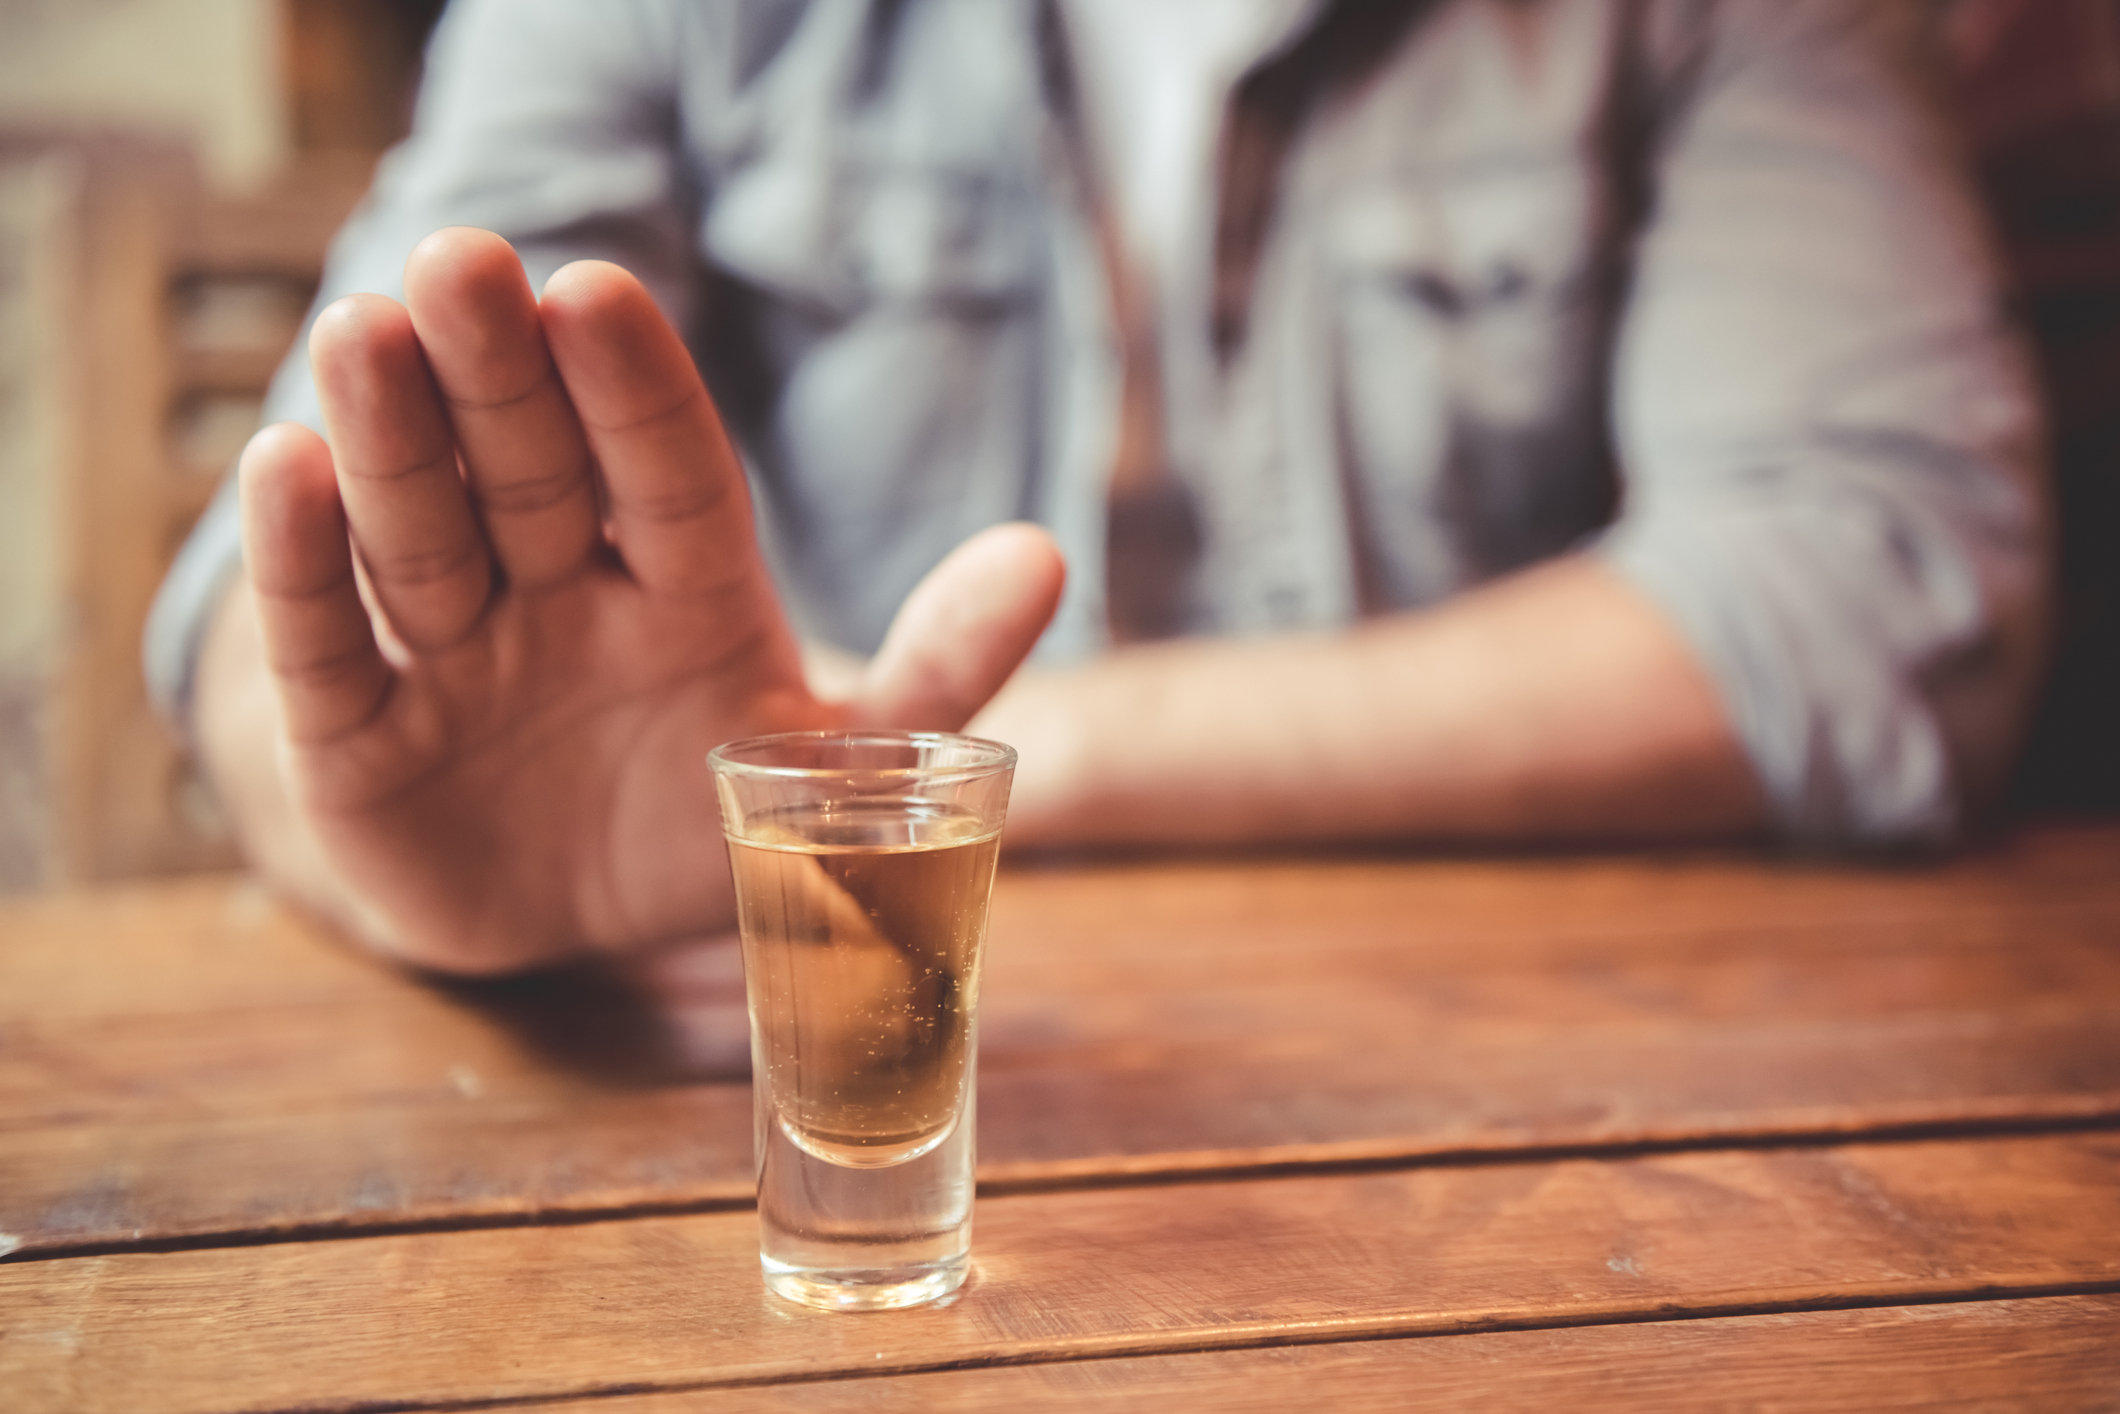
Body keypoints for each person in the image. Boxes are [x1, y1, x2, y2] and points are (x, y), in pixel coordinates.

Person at [145, 0, 2049, 975]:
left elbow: (1882, 580)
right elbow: (271, 568)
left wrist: (904, 779)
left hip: (1527, 1127)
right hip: (773, 1021)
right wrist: (382, 849)